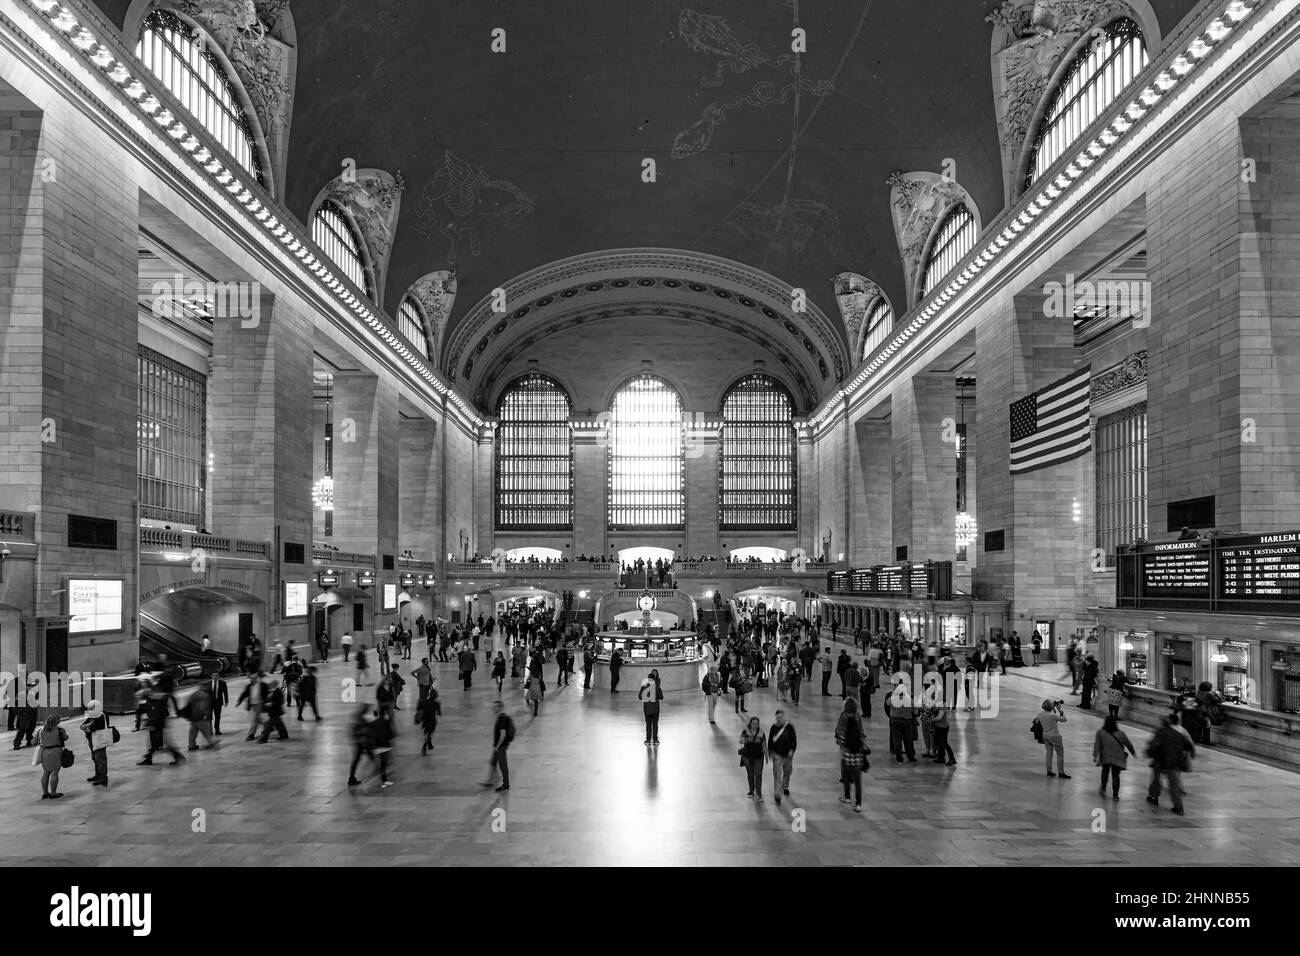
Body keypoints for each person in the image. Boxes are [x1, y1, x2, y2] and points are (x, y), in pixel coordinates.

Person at [1146, 715, 1194, 815]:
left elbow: (1154, 746)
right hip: (1174, 763)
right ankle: (1179, 808)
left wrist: (1149, 753)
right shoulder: (1178, 734)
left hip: (1160, 762)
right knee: (1174, 786)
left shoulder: (1160, 733)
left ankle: (1154, 797)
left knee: (1156, 780)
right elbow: (1188, 745)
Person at [347, 705, 393, 788]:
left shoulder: (360, 719)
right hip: (364, 744)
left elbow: (356, 732)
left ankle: (352, 778)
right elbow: (366, 732)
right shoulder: (362, 720)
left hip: (361, 744)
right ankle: (382, 776)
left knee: (358, 760)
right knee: (372, 760)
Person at [835, 698, 868, 812]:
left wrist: (840, 741)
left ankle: (847, 796)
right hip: (858, 754)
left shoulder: (843, 715)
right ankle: (858, 804)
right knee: (858, 781)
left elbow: (839, 730)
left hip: (847, 752)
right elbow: (862, 731)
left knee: (845, 775)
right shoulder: (858, 716)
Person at [1093, 714, 1136, 800]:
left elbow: (1097, 745)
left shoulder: (1100, 732)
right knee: (1116, 776)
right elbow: (1128, 744)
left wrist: (1095, 755)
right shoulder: (1121, 734)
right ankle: (1115, 795)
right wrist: (1133, 752)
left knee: (1105, 772)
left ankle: (1103, 788)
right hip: (1117, 757)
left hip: (1106, 756)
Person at [139, 688, 185, 766]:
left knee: (157, 743)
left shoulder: (153, 702)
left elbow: (155, 714)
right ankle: (149, 758)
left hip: (157, 725)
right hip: (159, 724)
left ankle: (177, 756)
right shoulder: (154, 700)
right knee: (156, 743)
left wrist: (152, 724)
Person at [481, 700, 516, 792]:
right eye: (493, 706)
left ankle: (506, 784)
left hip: (501, 747)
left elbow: (503, 734)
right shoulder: (500, 717)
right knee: (493, 762)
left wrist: (497, 746)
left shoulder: (501, 719)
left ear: (500, 708)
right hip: (498, 746)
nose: (493, 708)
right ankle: (490, 780)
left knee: (503, 765)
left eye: (495, 707)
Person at [1033, 698, 1070, 778]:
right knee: (1060, 754)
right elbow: (1064, 719)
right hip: (1055, 736)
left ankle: (1049, 770)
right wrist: (1060, 710)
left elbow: (1036, 722)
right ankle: (1061, 772)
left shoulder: (1039, 714)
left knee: (1049, 753)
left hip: (1045, 735)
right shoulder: (1053, 715)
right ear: (1051, 707)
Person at [79, 699, 112, 787]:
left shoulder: (100, 714)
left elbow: (92, 728)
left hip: (99, 739)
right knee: (95, 758)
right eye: (89, 708)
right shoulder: (94, 714)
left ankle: (103, 777)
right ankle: (98, 775)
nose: (90, 710)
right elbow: (82, 725)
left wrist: (87, 727)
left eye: (92, 708)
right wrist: (86, 726)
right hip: (92, 739)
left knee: (100, 759)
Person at [767, 709, 797, 804]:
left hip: (788, 755)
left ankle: (785, 786)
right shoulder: (774, 727)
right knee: (777, 774)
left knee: (788, 771)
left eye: (780, 717)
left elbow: (794, 740)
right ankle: (777, 794)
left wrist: (792, 750)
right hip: (777, 754)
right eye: (777, 717)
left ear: (784, 717)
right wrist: (770, 752)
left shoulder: (789, 727)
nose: (779, 719)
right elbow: (770, 740)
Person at [37, 714, 68, 799]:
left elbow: (33, 742)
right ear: (57, 721)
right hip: (56, 752)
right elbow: (66, 738)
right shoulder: (60, 730)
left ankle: (45, 792)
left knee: (46, 773)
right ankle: (53, 793)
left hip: (45, 753)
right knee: (54, 772)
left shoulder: (41, 730)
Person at [738, 716, 767, 801]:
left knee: (758, 775)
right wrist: (749, 739)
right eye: (753, 723)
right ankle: (751, 790)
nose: (755, 725)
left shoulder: (761, 733)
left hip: (758, 756)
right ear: (750, 723)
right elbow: (741, 741)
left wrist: (767, 756)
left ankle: (759, 794)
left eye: (757, 723)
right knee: (750, 774)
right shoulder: (745, 731)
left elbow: (764, 745)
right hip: (747, 756)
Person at [185, 679, 217, 751]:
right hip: (202, 717)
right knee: (207, 733)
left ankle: (191, 746)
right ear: (205, 686)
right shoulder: (205, 695)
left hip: (193, 717)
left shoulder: (194, 694)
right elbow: (203, 706)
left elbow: (188, 705)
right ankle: (211, 744)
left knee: (192, 734)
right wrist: (205, 715)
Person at [238, 671, 266, 740]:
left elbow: (266, 694)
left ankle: (251, 735)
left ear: (257, 678)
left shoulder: (262, 685)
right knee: (258, 718)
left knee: (254, 719)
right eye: (252, 678)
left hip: (259, 704)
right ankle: (267, 727)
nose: (253, 679)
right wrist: (239, 701)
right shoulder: (249, 686)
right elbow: (244, 694)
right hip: (252, 705)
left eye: (254, 678)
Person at [639, 670, 663, 745]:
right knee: (655, 724)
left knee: (648, 724)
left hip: (647, 709)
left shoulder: (644, 686)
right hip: (655, 708)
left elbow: (640, 697)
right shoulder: (657, 687)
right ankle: (655, 740)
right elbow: (661, 697)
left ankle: (648, 740)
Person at [420, 683, 441, 755]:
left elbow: (420, 709)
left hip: (425, 719)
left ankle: (429, 744)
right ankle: (425, 745)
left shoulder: (424, 702)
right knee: (429, 733)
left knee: (427, 732)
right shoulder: (436, 703)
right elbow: (439, 713)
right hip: (432, 720)